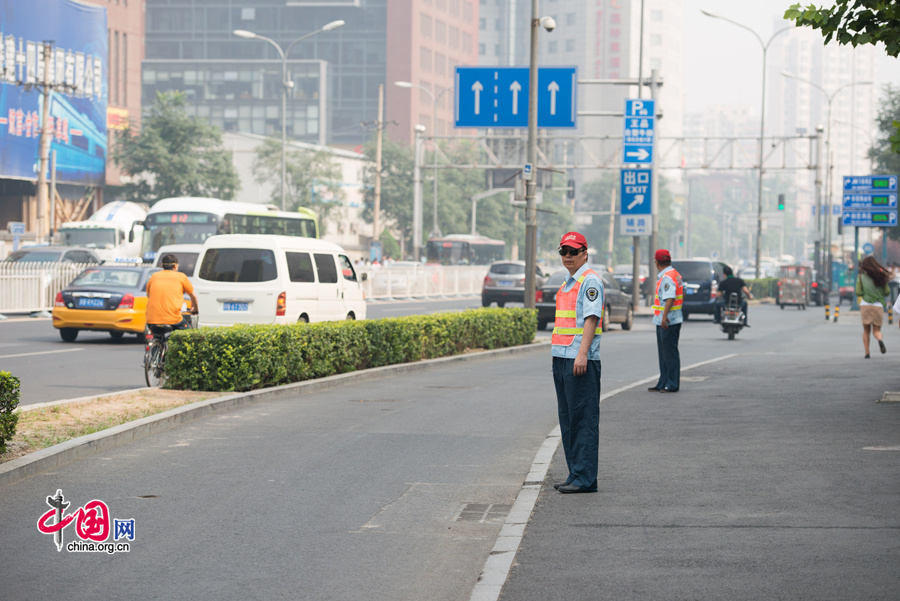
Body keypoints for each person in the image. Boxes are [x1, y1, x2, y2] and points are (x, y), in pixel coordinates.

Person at [551, 231, 603, 494]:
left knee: (583, 419)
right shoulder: (568, 283)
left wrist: (583, 353)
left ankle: (585, 478)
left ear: (585, 253)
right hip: (561, 357)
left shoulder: (589, 281)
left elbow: (591, 319)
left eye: (573, 251)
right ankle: (575, 473)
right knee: (568, 420)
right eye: (564, 252)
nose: (568, 256)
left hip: (579, 359)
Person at [649, 249, 683, 393]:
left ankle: (671, 383)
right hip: (668, 320)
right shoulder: (674, 274)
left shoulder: (667, 277)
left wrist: (664, 317)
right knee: (664, 354)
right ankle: (663, 382)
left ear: (657, 262)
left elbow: (670, 298)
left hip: (668, 321)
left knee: (669, 354)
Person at [146, 254, 199, 331]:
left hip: (152, 320)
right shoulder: (181, 277)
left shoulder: (154, 276)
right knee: (188, 334)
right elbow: (193, 296)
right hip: (173, 320)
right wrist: (195, 309)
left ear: (162, 265)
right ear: (175, 266)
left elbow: (149, 295)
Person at [855, 255, 891, 358]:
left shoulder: (861, 277)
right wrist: (879, 294)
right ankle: (879, 339)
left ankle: (867, 352)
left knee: (866, 330)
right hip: (878, 305)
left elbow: (858, 292)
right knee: (877, 330)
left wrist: (865, 293)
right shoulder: (881, 276)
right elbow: (887, 292)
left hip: (865, 305)